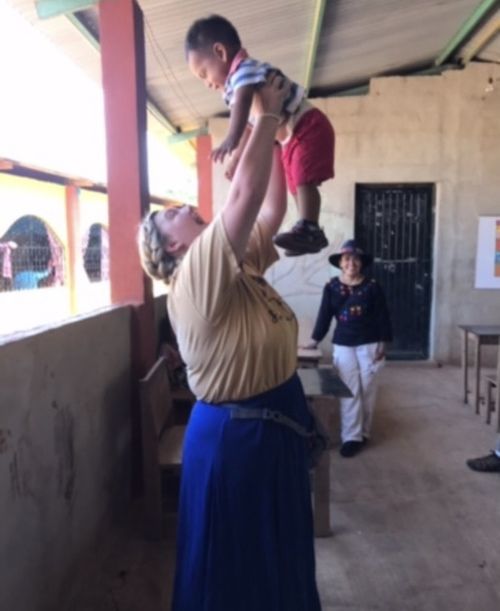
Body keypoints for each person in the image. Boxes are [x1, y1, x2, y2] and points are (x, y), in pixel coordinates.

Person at [137, 75, 321, 611]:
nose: (184, 207)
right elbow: (243, 195)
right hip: (239, 441)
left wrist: (278, 139)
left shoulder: (232, 264)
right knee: (237, 573)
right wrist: (264, 114)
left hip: (270, 426)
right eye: (172, 214)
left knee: (275, 557)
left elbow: (269, 211)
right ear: (172, 247)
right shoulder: (193, 275)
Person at [184, 14, 335, 257]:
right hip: (291, 136)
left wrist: (231, 139)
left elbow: (242, 106)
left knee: (303, 179)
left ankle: (309, 227)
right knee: (295, 182)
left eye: (203, 74)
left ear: (220, 52)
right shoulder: (239, 84)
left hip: (307, 125)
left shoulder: (244, 72)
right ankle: (307, 231)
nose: (207, 83)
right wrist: (237, 158)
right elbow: (250, 126)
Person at [303, 240, 392, 458]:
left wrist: (383, 342)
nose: (351, 263)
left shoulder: (373, 287)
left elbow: (383, 316)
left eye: (356, 259)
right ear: (341, 263)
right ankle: (351, 437)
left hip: (370, 343)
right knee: (349, 391)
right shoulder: (331, 287)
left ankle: (364, 432)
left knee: (367, 389)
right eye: (347, 259)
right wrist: (314, 340)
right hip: (343, 344)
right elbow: (324, 316)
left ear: (361, 263)